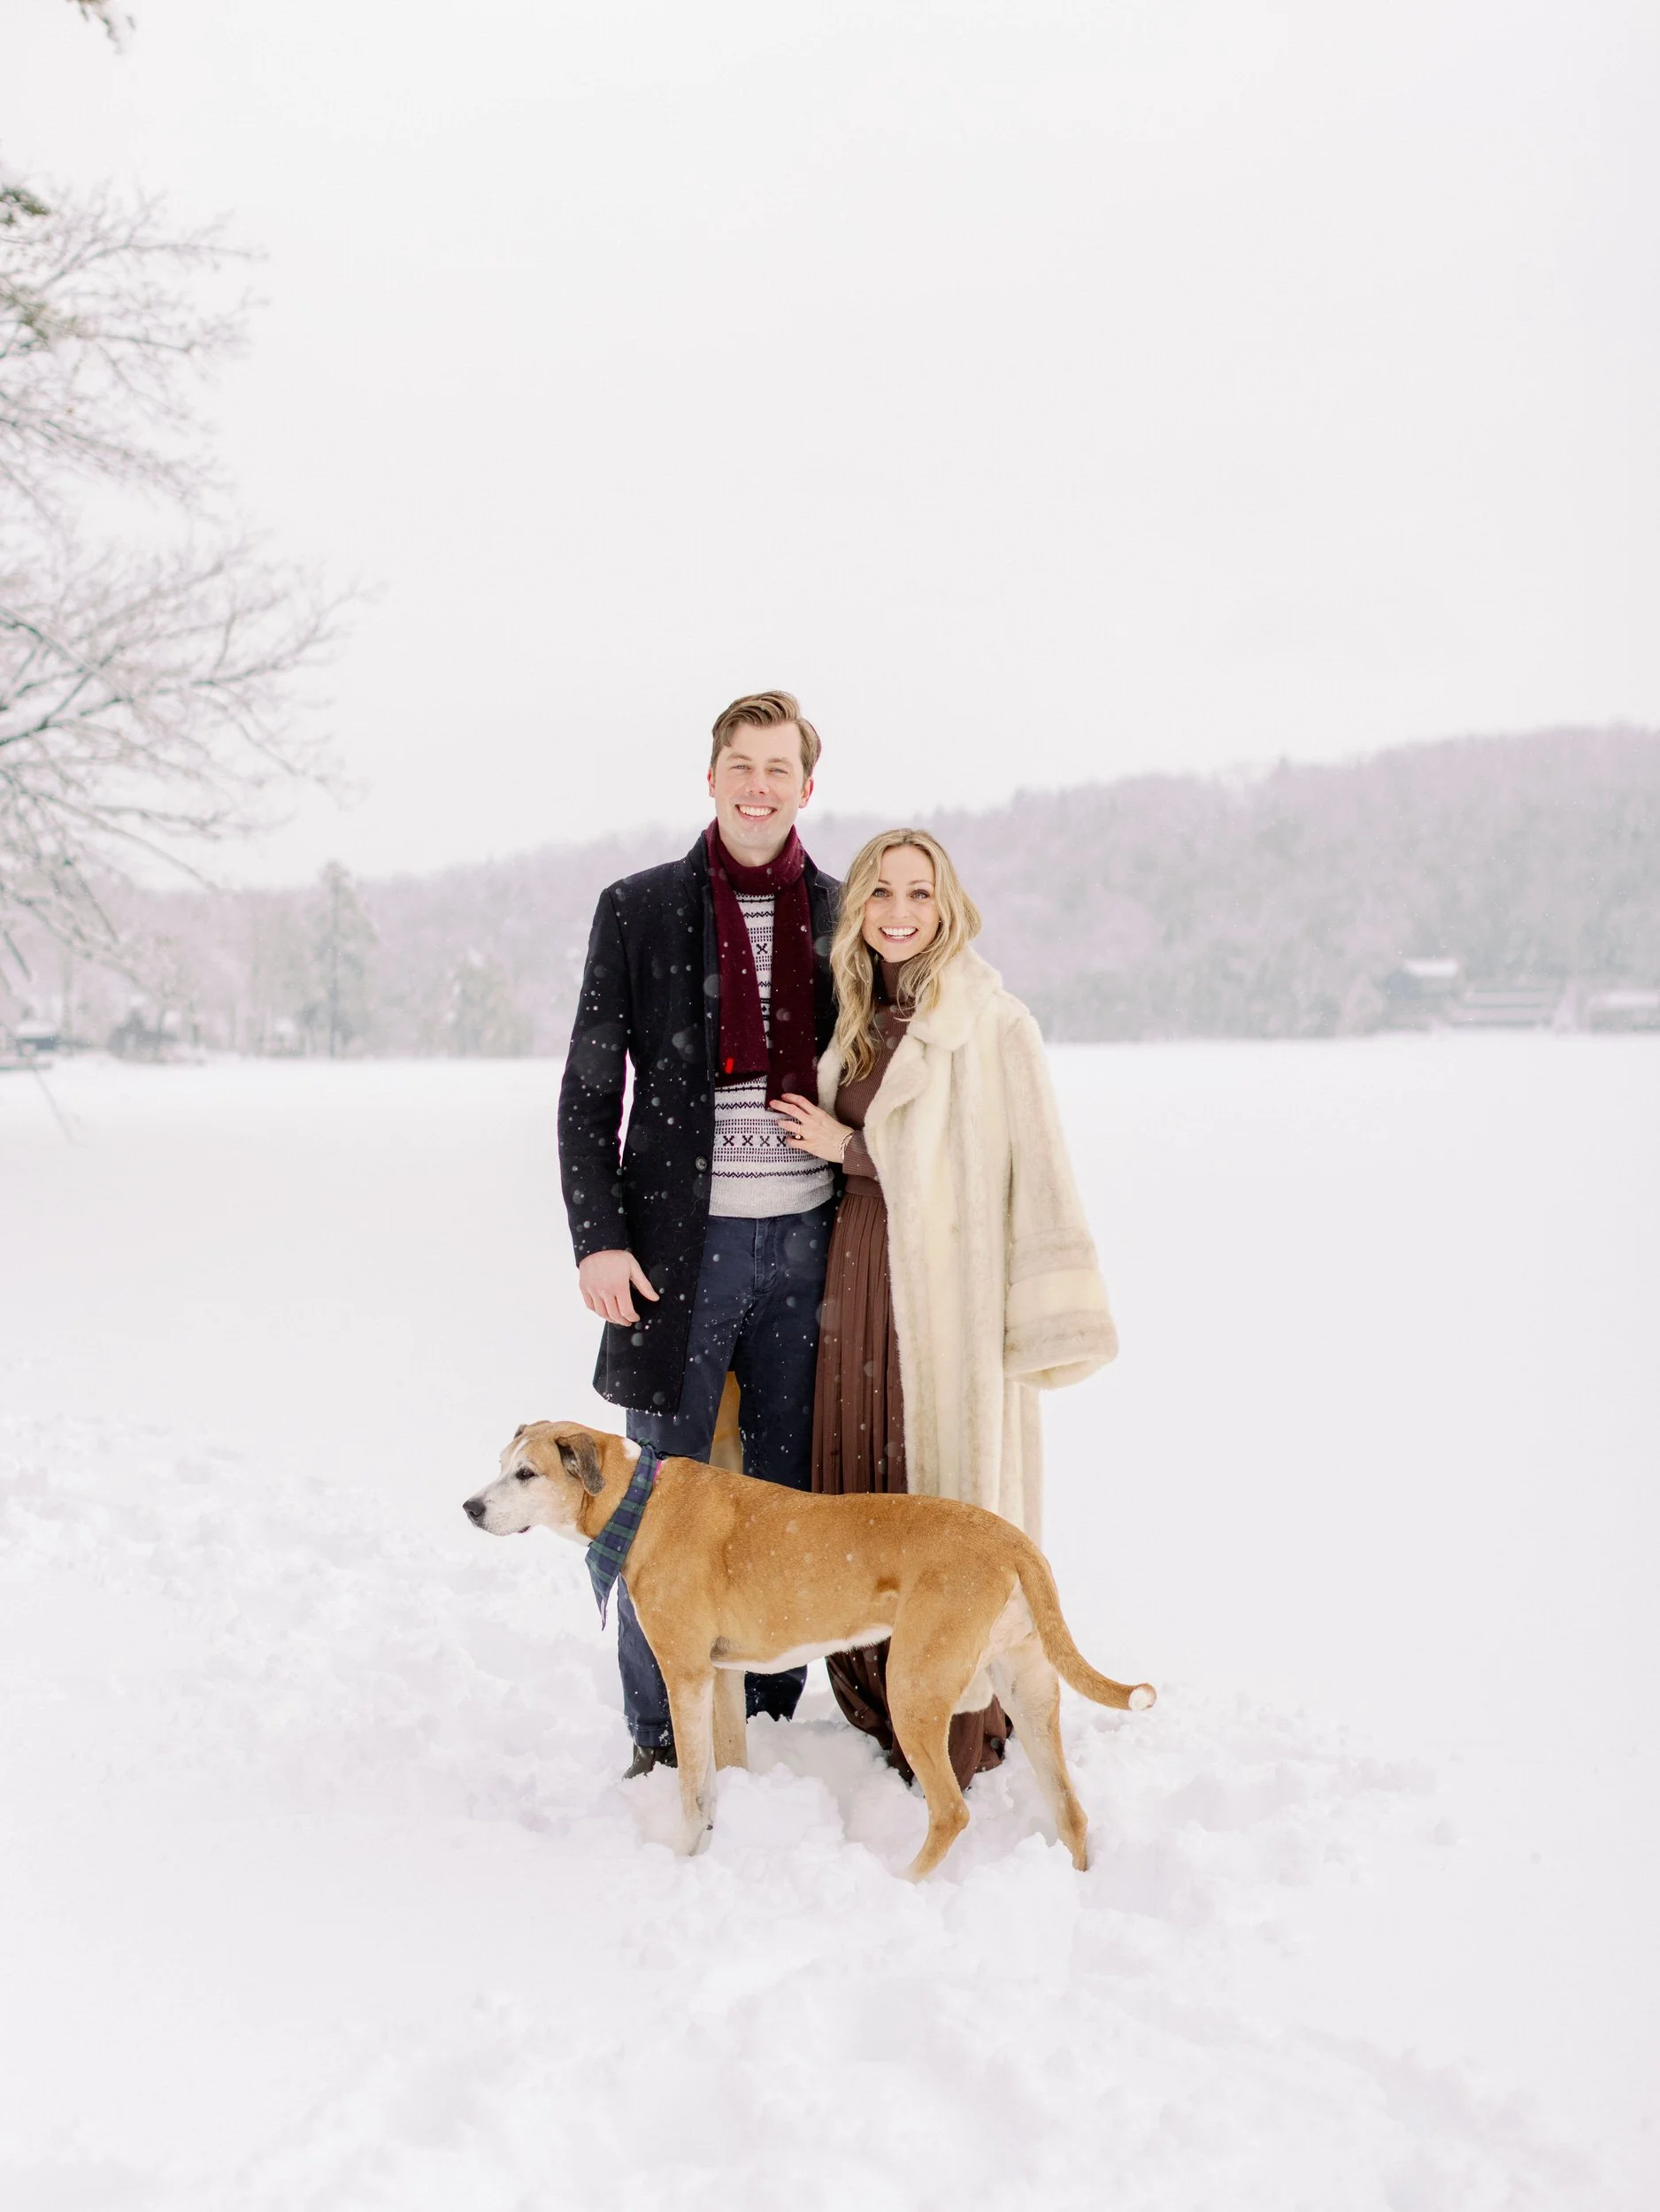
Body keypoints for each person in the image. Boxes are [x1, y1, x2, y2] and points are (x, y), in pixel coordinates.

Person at [769, 829, 1116, 1790]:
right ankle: (882, 1703)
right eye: (880, 893)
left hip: (949, 1299)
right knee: (864, 1485)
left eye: (918, 894)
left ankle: (960, 1718)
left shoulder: (992, 1023)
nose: (897, 912)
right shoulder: (855, 1013)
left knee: (944, 1499)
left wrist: (847, 1146)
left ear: (946, 903)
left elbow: (1029, 1171)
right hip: (861, 1275)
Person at [558, 692, 841, 1776]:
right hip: (681, 1256)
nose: (758, 785)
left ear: (806, 786)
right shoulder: (640, 909)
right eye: (741, 764)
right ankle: (658, 1738)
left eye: (779, 768)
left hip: (812, 1247)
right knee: (654, 1498)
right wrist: (598, 1237)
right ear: (711, 775)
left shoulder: (842, 906)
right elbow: (590, 1092)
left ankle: (766, 1718)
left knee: (788, 1498)